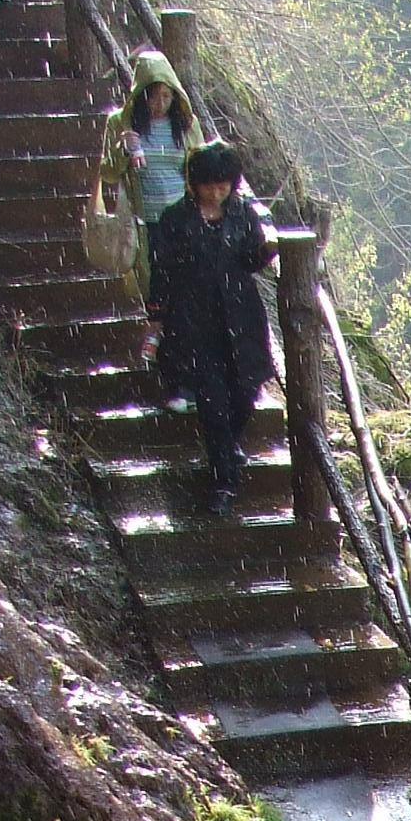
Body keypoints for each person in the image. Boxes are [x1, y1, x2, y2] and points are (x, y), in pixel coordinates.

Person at [146, 145, 274, 517]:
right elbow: (162, 271)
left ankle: (227, 453)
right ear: (195, 183)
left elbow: (250, 260)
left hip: (241, 317)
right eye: (210, 186)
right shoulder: (176, 219)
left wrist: (267, 250)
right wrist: (157, 315)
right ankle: (223, 482)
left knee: (246, 393)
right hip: (194, 320)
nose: (217, 193)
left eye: (223, 186)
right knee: (213, 404)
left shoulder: (242, 214)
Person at [98, 48, 197, 296]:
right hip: (145, 224)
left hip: (182, 221)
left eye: (166, 96)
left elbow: (200, 170)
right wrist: (124, 150)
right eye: (153, 97)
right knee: (153, 289)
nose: (160, 104)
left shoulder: (186, 124)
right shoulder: (120, 123)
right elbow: (108, 173)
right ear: (141, 96)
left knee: (186, 288)